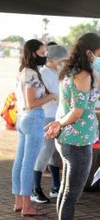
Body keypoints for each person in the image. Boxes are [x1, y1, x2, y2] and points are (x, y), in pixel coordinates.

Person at [44, 33, 100, 220]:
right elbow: (77, 111)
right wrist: (59, 123)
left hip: (68, 139)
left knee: (65, 193)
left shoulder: (70, 72)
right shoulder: (82, 74)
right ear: (89, 53)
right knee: (71, 195)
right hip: (76, 141)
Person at [12, 39, 57, 216]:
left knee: (20, 161)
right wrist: (51, 96)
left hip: (23, 118)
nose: (45, 56)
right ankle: (27, 205)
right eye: (42, 53)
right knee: (28, 163)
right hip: (33, 117)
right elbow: (32, 103)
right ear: (32, 53)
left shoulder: (23, 71)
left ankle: (19, 202)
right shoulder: (31, 73)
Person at [32, 44, 69, 204]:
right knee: (45, 151)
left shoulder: (58, 72)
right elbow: (45, 95)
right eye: (61, 60)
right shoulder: (43, 73)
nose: (63, 62)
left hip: (59, 117)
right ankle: (35, 188)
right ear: (53, 59)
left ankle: (56, 186)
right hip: (47, 117)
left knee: (55, 153)